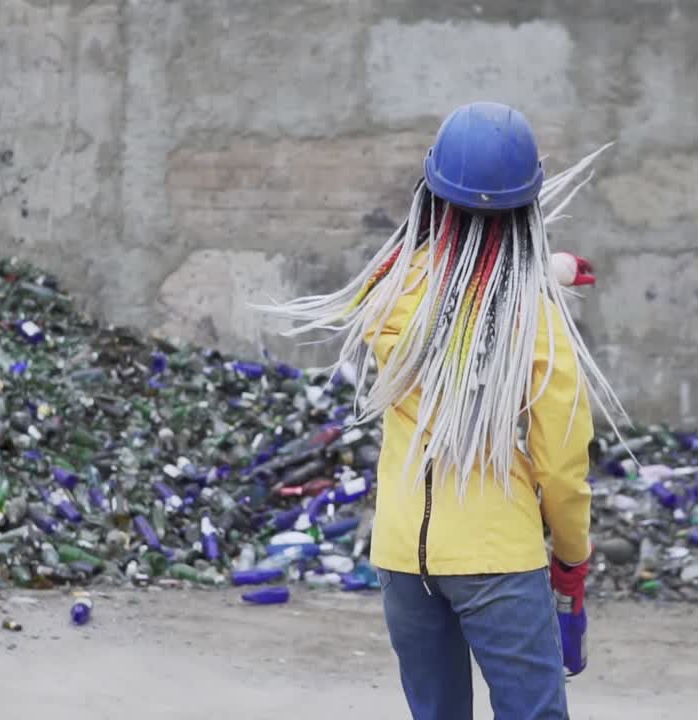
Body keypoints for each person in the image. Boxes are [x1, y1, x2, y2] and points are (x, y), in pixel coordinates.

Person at [255, 101, 627, 720]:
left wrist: (547, 272)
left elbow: (456, 298)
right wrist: (571, 555)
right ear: (529, 206)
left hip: (403, 559)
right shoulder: (537, 321)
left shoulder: (390, 291)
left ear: (431, 191)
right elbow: (561, 466)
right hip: (497, 561)